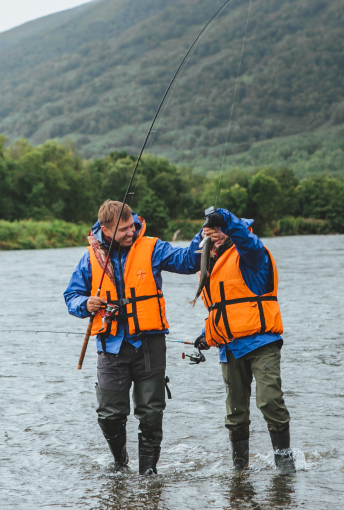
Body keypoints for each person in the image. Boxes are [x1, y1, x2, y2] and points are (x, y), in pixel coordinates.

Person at [65, 200, 201, 475]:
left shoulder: (152, 248)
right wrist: (85, 304)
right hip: (111, 346)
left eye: (132, 226)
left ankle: (148, 471)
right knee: (109, 415)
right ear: (105, 229)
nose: (131, 232)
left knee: (151, 413)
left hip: (149, 344)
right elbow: (71, 296)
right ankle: (119, 462)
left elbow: (190, 261)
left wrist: (203, 235)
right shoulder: (89, 258)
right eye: (124, 229)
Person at [193, 208, 293, 474]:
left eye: (220, 231)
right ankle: (240, 467)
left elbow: (244, 239)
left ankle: (284, 462)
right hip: (229, 348)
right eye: (211, 232)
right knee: (235, 412)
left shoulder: (251, 251)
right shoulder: (211, 259)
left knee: (269, 400)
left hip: (261, 343)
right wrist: (208, 336)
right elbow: (223, 308)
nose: (215, 236)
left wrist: (223, 218)